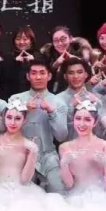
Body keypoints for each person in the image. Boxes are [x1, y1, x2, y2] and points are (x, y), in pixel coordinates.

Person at [8, 59, 68, 193]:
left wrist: (52, 112)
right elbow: (5, 129)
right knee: (20, 195)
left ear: (49, 76)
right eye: (34, 73)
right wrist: (23, 110)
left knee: (58, 191)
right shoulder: (15, 99)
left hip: (48, 155)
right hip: (20, 155)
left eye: (42, 73)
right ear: (28, 76)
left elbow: (61, 136)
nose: (38, 77)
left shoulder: (58, 102)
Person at [57, 58, 106, 142]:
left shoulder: (98, 99)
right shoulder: (58, 99)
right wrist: (70, 108)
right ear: (65, 76)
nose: (76, 76)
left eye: (79, 72)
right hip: (68, 147)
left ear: (86, 75)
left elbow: (102, 132)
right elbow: (60, 135)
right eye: (71, 73)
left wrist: (98, 106)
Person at [3, 26, 39, 99]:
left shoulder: (39, 56)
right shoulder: (8, 57)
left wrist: (33, 61)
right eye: (18, 39)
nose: (21, 42)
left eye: (25, 39)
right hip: (13, 97)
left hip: (35, 96)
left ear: (31, 40)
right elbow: (4, 80)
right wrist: (14, 63)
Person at [42, 26, 80, 94]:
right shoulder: (47, 55)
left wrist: (78, 62)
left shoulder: (80, 54)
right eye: (56, 41)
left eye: (63, 39)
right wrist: (54, 66)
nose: (60, 43)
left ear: (71, 38)